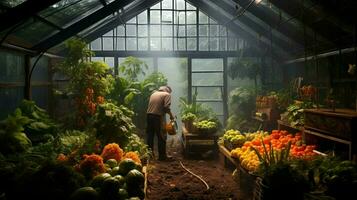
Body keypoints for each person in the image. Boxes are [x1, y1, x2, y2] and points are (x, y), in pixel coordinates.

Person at [146, 85, 175, 161]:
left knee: (150, 136)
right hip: (158, 117)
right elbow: (166, 107)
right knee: (162, 136)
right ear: (167, 90)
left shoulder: (154, 94)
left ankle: (150, 156)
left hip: (149, 116)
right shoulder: (167, 94)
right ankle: (162, 156)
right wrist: (171, 116)